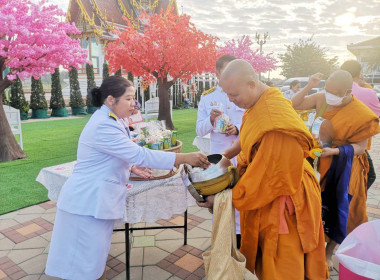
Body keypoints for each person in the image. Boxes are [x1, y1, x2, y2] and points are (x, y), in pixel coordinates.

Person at [45, 76, 209, 280]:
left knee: (94, 262)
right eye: (129, 99)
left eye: (134, 99)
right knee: (83, 268)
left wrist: (131, 166)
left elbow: (118, 153)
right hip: (86, 203)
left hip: (95, 202)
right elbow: (139, 153)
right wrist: (184, 158)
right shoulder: (104, 125)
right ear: (110, 100)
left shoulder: (112, 119)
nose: (133, 104)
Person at [198, 59, 328, 279]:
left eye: (234, 95)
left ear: (252, 83)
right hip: (271, 187)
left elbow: (269, 179)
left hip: (282, 198)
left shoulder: (273, 116)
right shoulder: (265, 98)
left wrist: (222, 199)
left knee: (280, 268)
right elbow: (251, 131)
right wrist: (224, 156)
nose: (230, 100)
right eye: (227, 94)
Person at [291, 70, 380, 270]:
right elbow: (294, 105)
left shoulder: (362, 114)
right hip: (316, 159)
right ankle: (308, 245)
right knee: (312, 204)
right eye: (327, 89)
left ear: (348, 92)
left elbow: (360, 146)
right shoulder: (322, 98)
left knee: (343, 208)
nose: (329, 94)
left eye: (334, 92)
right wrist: (309, 84)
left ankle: (328, 252)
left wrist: (336, 151)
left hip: (345, 165)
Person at [196, 54, 245, 247]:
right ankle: (222, 245)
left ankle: (240, 244)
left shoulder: (242, 92)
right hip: (219, 159)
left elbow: (253, 122)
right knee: (218, 201)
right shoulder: (208, 97)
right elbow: (199, 130)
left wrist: (238, 128)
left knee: (241, 203)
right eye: (226, 71)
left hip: (241, 157)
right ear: (217, 73)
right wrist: (210, 120)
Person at [341, 60, 380, 189]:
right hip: (357, 144)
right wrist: (366, 86)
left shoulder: (332, 90)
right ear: (359, 74)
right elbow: (376, 115)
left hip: (334, 141)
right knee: (369, 176)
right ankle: (351, 202)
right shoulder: (367, 92)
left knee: (340, 176)